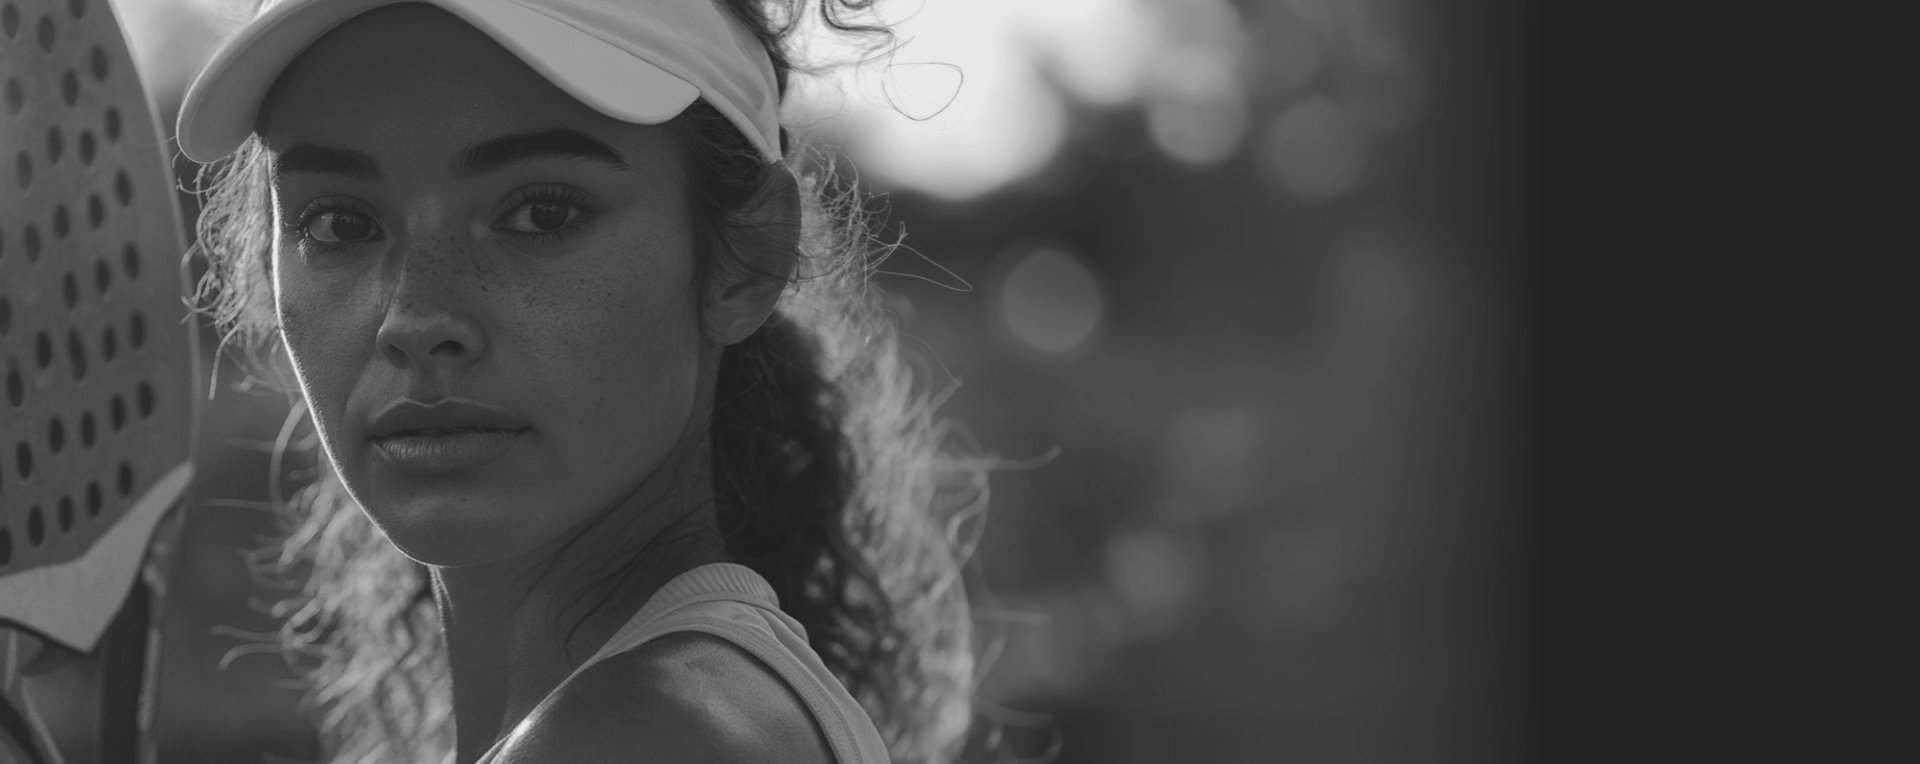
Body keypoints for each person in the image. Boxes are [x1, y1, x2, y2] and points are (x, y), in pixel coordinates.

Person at [175, 1, 990, 762]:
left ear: (747, 259)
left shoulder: (645, 737)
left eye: (542, 213)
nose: (415, 319)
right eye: (339, 225)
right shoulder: (694, 711)